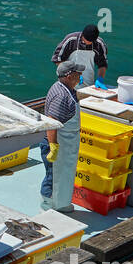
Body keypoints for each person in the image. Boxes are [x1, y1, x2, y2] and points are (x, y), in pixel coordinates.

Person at [40, 60, 84, 213]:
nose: (80, 76)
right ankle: (48, 206)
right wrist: (53, 146)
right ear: (69, 76)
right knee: (54, 176)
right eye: (78, 74)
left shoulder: (66, 89)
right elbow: (52, 121)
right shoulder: (61, 95)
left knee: (63, 174)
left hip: (68, 141)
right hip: (59, 142)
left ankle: (60, 204)